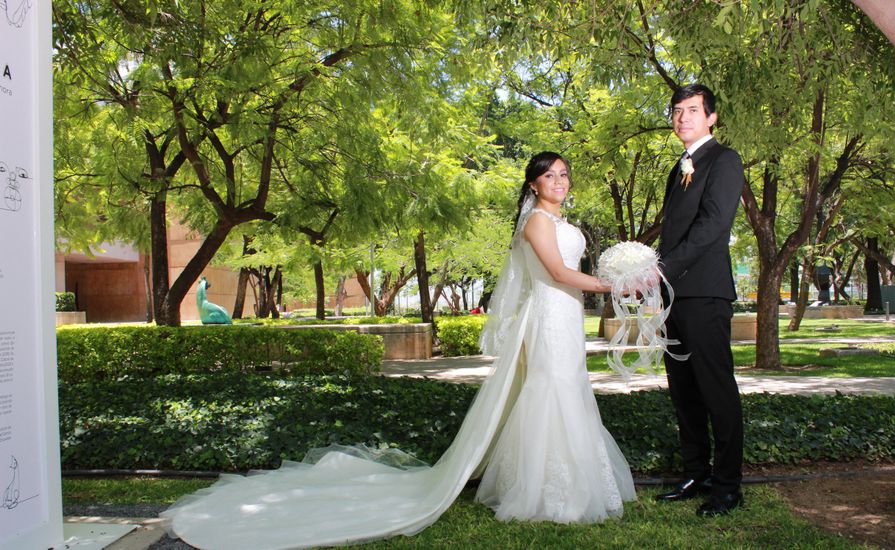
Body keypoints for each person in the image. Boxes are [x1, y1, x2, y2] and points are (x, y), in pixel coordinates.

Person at [160, 152, 636, 549]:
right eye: (549, 175)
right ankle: (547, 492)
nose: (559, 181)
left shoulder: (561, 221)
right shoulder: (535, 222)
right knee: (550, 389)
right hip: (549, 315)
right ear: (533, 185)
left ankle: (570, 482)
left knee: (569, 387)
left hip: (568, 316)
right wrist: (610, 283)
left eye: (564, 173)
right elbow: (554, 272)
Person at [655, 83, 745, 517]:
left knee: (716, 390)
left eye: (692, 110)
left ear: (711, 117)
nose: (682, 117)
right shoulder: (678, 168)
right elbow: (673, 229)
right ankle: (697, 472)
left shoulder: (725, 160)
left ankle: (727, 486)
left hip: (706, 292)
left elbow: (712, 227)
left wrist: (661, 270)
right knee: (684, 390)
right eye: (676, 111)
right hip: (673, 295)